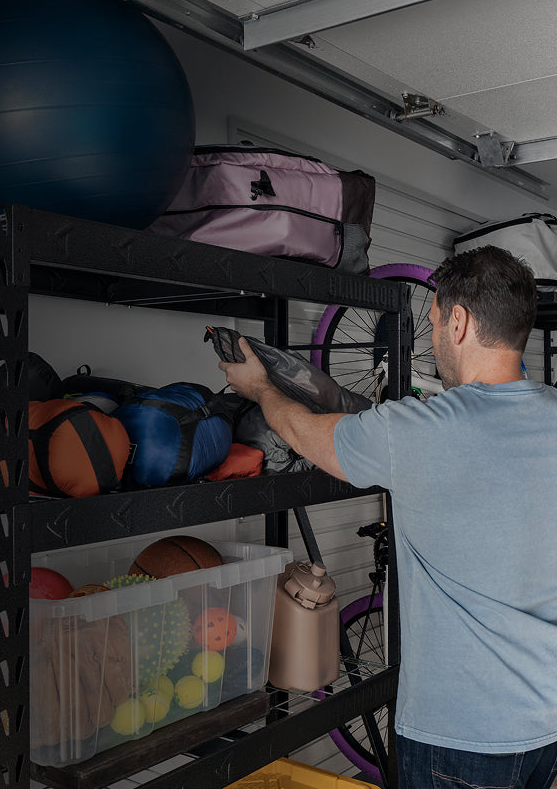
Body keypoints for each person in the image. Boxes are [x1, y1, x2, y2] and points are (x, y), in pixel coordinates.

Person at [218, 245, 557, 789]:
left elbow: (307, 434)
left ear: (460, 321)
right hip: (546, 723)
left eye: (435, 322)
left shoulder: (420, 431)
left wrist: (258, 387)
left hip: (460, 734)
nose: (435, 340)